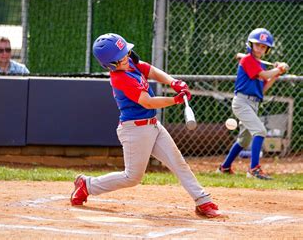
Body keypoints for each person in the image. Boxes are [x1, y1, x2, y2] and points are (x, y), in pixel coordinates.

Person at [70, 33, 222, 218]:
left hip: (152, 125)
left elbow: (150, 70)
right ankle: (87, 185)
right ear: (110, 64)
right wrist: (175, 100)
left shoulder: (129, 63)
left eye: (125, 53)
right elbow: (148, 102)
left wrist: (173, 82)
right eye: (121, 57)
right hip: (135, 130)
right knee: (132, 177)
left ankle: (202, 201)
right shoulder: (120, 78)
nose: (126, 57)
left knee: (178, 163)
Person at [217, 28, 288, 180]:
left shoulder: (259, 64)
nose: (260, 48)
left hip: (253, 104)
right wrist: (277, 69)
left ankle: (224, 167)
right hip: (242, 102)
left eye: (263, 46)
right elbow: (264, 74)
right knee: (260, 131)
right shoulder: (248, 60)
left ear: (267, 49)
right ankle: (254, 169)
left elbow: (264, 86)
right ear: (250, 45)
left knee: (244, 140)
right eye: (257, 45)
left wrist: (277, 74)